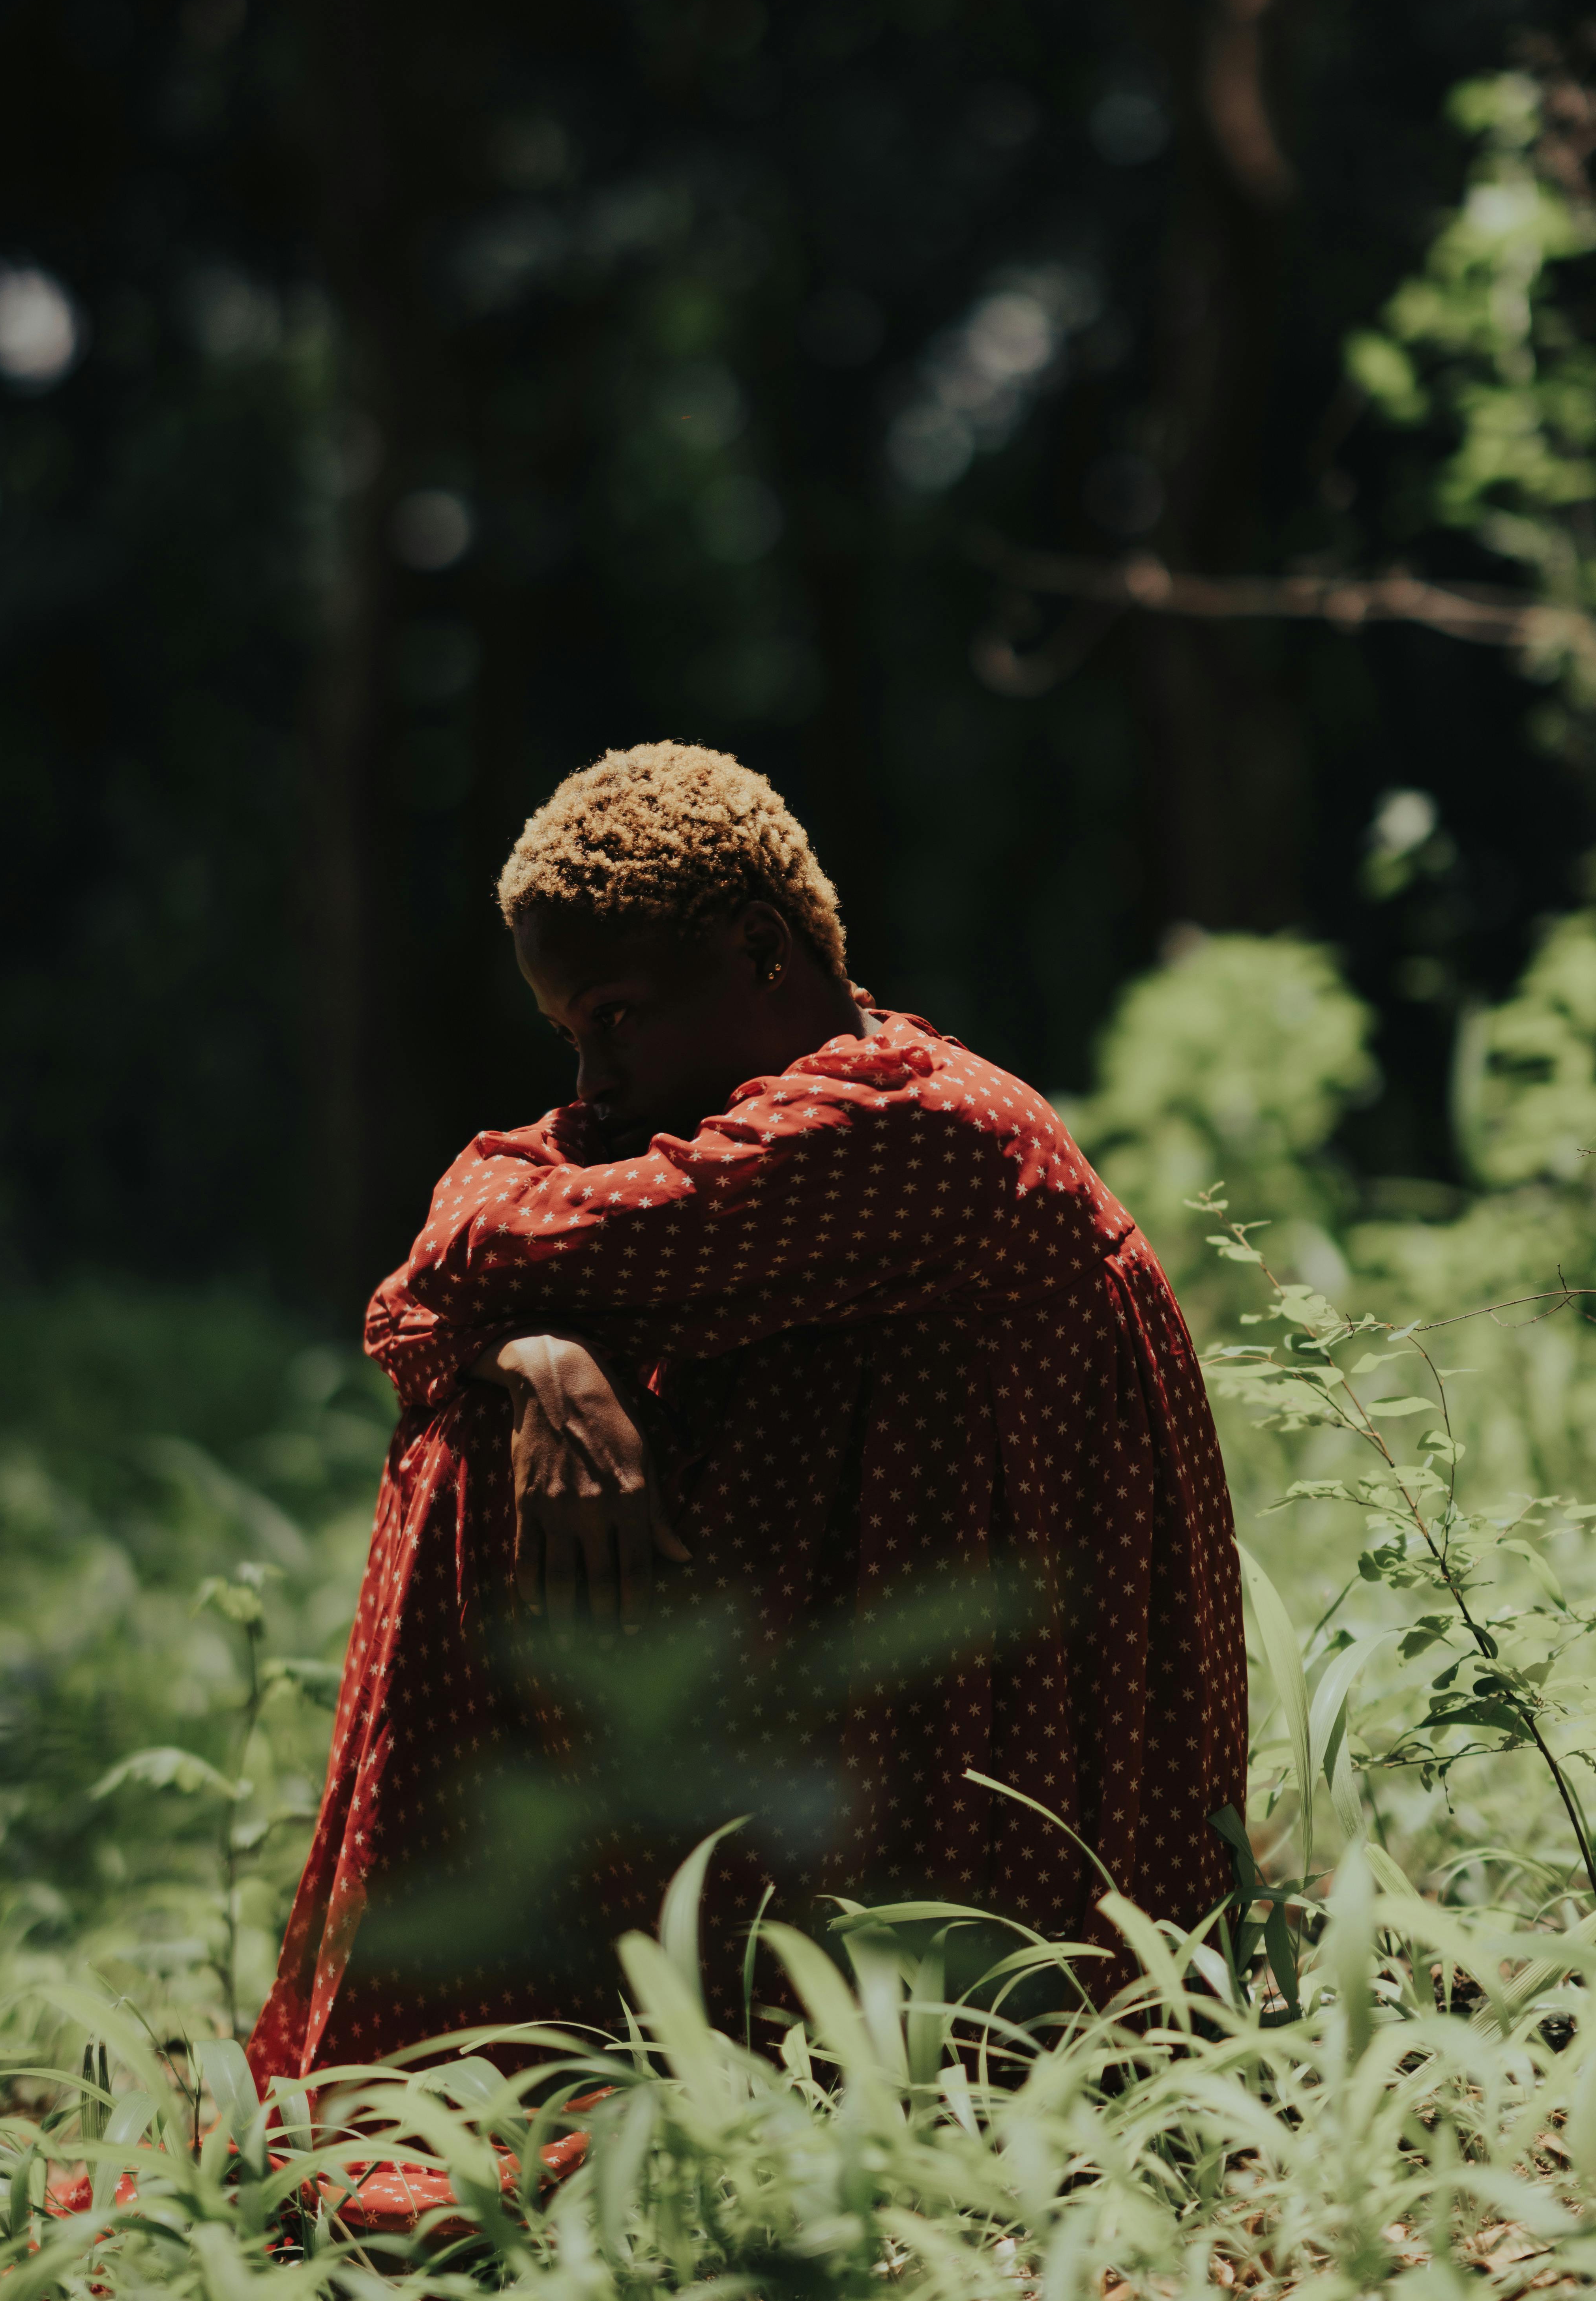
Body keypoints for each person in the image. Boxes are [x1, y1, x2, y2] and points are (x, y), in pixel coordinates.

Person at [247, 743, 1244, 2088]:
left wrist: (520, 1330)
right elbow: (447, 1277)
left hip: (1002, 1749)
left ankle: (483, 2041)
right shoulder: (781, 1102)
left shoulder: (908, 1127)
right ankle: (538, 2021)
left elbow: (473, 1249)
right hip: (890, 1659)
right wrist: (541, 1361)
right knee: (491, 1417)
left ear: (764, 951)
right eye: (568, 1037)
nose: (592, 1080)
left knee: (465, 1452)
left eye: (616, 1017)